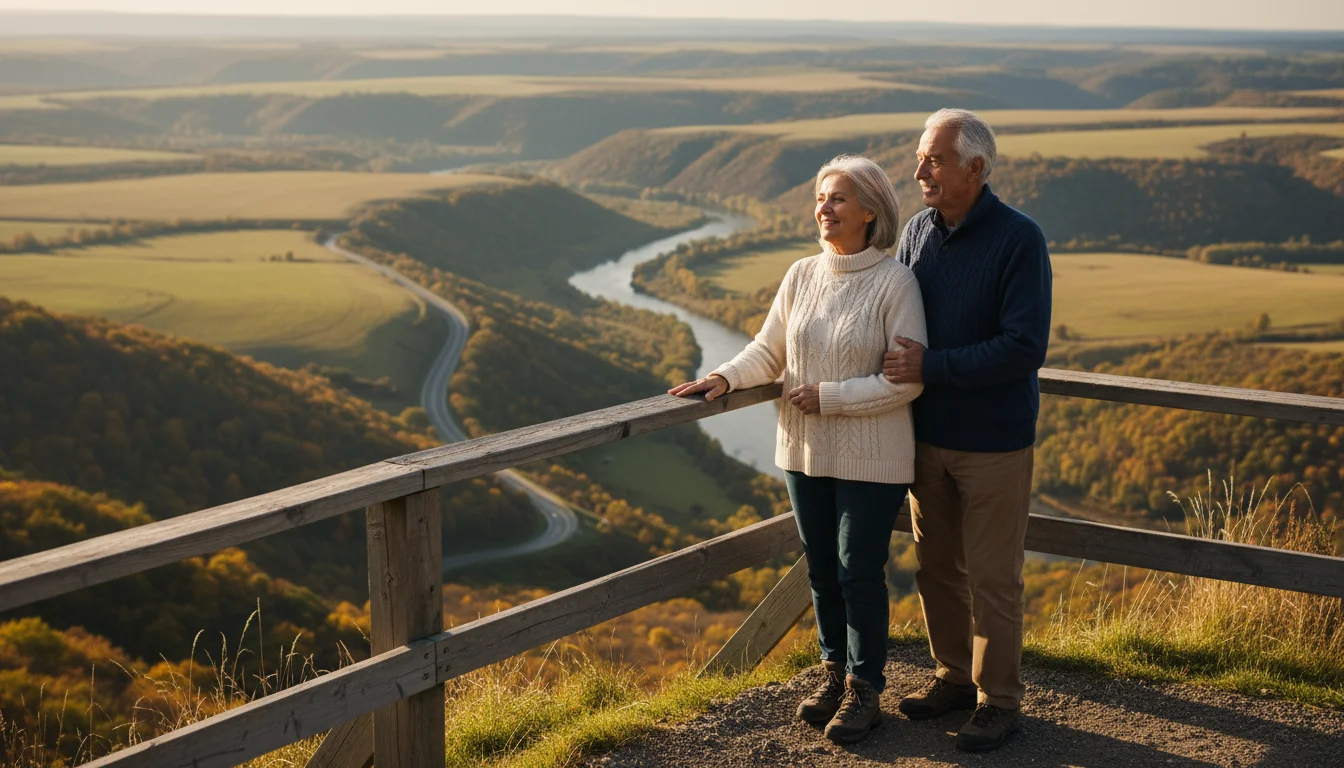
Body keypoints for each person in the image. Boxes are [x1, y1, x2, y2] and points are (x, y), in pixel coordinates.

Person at [670, 155, 926, 745]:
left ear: (870, 211)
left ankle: (866, 689)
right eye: (819, 197)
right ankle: (833, 671)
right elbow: (768, 349)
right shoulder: (801, 274)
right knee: (821, 570)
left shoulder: (896, 283)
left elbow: (906, 381)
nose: (824, 208)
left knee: (858, 570)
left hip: (872, 455)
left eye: (837, 198)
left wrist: (831, 397)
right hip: (803, 451)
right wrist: (726, 378)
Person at [883, 108, 1052, 753]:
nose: (919, 170)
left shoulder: (1019, 238)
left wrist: (933, 366)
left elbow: (1022, 347)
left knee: (992, 577)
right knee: (936, 571)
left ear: (977, 169)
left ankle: (999, 701)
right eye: (921, 157)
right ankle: (953, 677)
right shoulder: (920, 230)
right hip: (926, 436)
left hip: (993, 442)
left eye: (934, 159)